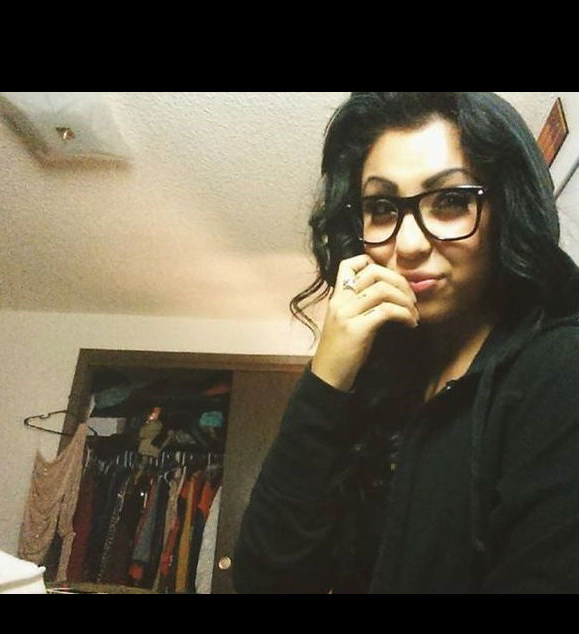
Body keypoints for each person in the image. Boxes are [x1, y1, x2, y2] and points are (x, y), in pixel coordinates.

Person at [233, 92, 579, 594]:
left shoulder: (559, 371)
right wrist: (326, 378)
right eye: (381, 207)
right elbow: (265, 577)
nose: (409, 244)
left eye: (451, 201)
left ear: (507, 208)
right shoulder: (388, 377)